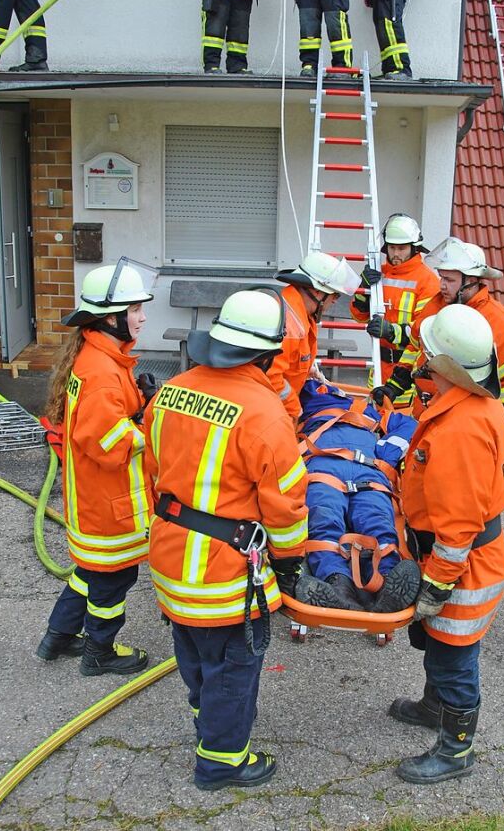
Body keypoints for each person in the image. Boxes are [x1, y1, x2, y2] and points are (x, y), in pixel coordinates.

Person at [145, 289, 323, 791]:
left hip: (170, 560)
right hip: (224, 576)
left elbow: (151, 472)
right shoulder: (265, 414)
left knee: (195, 655)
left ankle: (210, 725)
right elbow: (286, 508)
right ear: (266, 354)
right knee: (235, 668)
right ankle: (222, 762)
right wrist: (288, 566)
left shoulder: (171, 391)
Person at [390, 305, 504, 784]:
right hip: (461, 553)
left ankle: (455, 749)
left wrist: (437, 586)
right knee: (438, 645)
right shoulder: (469, 406)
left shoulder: (460, 430)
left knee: (454, 656)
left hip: (462, 564)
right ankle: (432, 707)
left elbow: (458, 525)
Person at [36, 258, 156, 675]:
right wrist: (150, 428)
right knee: (112, 581)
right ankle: (99, 653)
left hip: (91, 498)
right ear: (110, 318)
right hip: (108, 504)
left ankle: (57, 638)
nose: (142, 317)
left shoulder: (98, 356)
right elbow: (108, 443)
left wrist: (139, 405)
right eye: (135, 310)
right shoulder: (103, 372)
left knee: (89, 572)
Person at [374, 237, 504, 432]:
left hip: (463, 423)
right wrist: (394, 387)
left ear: (471, 280)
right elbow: (416, 347)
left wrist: (503, 432)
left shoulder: (499, 322)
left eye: (449, 280)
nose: (442, 285)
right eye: (441, 277)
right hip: (424, 413)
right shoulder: (437, 305)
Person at [295, 379, 421, 612]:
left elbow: (411, 426)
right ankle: (344, 584)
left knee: (341, 522)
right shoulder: (304, 407)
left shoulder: (363, 410)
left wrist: (385, 455)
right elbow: (408, 427)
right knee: (340, 522)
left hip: (332, 468)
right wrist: (385, 455)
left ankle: (374, 583)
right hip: (351, 468)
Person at [350, 213, 441, 406]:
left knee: (400, 425)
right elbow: (358, 315)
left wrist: (391, 331)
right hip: (377, 364)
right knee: (374, 420)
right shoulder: (377, 273)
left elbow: (424, 331)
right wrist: (363, 290)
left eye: (402, 248)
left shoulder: (428, 281)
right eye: (392, 248)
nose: (396, 254)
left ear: (414, 248)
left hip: (406, 370)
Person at [270, 250, 360, 420]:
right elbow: (271, 377)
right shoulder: (288, 323)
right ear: (317, 291)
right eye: (334, 294)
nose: (334, 300)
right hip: (272, 412)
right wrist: (294, 410)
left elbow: (290, 359)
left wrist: (306, 370)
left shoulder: (300, 314)